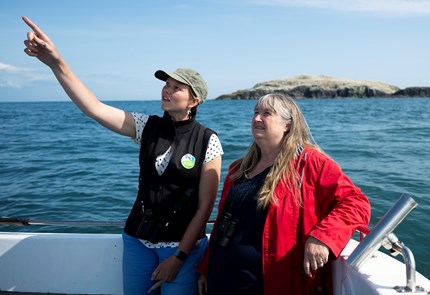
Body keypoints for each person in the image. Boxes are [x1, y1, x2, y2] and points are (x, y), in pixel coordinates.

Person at [22, 16, 223, 295]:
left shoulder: (207, 140)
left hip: (180, 248)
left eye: (177, 87)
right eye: (166, 84)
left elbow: (204, 208)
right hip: (136, 241)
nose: (167, 89)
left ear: (194, 100)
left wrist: (179, 257)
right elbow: (93, 107)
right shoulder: (146, 126)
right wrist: (56, 62)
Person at [197, 93, 371, 295]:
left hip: (266, 282)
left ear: (287, 125)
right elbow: (223, 223)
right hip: (221, 277)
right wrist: (205, 268)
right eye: (255, 112)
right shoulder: (239, 168)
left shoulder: (311, 164)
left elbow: (356, 203)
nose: (257, 118)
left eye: (266, 113)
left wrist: (323, 238)